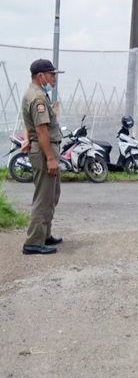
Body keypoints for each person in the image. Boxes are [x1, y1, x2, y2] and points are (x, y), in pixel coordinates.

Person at [21, 59, 65, 255]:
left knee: (52, 195)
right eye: (52, 74)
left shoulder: (36, 94)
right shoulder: (38, 98)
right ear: (41, 76)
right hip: (44, 150)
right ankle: (33, 242)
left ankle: (44, 234)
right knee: (43, 197)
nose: (54, 78)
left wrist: (26, 138)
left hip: (44, 148)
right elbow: (41, 131)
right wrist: (50, 158)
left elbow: (28, 124)